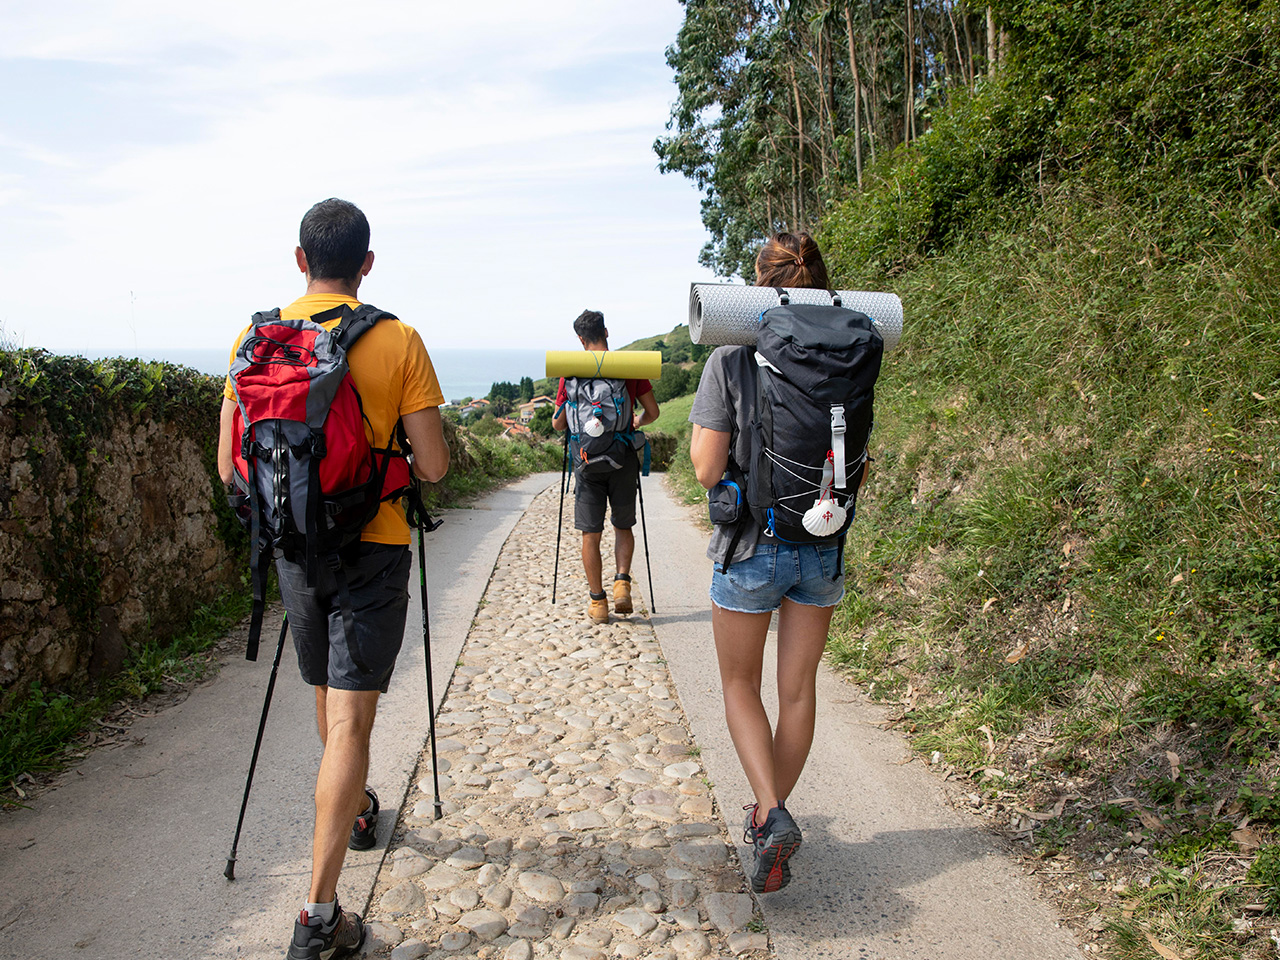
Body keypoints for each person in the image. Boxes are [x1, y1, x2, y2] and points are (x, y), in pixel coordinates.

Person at [217, 198, 450, 960]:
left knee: (326, 699)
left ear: (299, 260)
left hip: (292, 553)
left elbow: (230, 467)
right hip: (373, 547)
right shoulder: (397, 339)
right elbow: (437, 465)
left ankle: (353, 811)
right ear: (367, 264)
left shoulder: (254, 340)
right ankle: (319, 919)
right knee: (352, 721)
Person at [688, 232, 869, 894]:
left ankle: (770, 812)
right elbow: (859, 463)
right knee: (798, 691)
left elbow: (708, 467)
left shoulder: (732, 358)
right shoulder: (850, 352)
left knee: (741, 686)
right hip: (822, 543)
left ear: (755, 288)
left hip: (749, 548)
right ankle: (771, 817)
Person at [551, 309, 659, 624]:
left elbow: (559, 424)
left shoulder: (570, 371)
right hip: (622, 457)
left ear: (581, 339)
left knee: (590, 534)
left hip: (585, 463)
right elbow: (652, 411)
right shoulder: (629, 368)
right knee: (622, 525)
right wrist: (635, 421)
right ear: (606, 333)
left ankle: (598, 603)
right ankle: (622, 583)